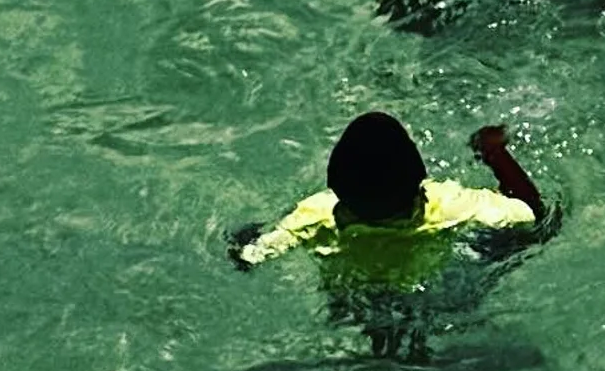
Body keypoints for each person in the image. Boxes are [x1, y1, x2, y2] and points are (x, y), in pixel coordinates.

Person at [229, 113, 551, 358]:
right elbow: (532, 211)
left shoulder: (318, 215)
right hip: (425, 295)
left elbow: (249, 255)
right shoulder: (448, 206)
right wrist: (493, 152)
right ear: (419, 180)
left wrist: (244, 237)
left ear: (336, 186)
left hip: (354, 297)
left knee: (359, 330)